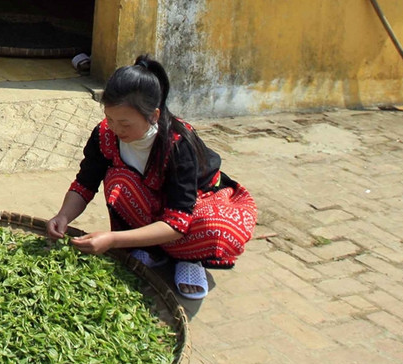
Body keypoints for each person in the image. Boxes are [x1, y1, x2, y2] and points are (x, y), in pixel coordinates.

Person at [44, 54, 257, 299]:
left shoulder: (177, 144)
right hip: (149, 207)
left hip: (197, 204)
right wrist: (63, 215)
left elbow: (178, 220)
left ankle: (190, 259)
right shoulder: (105, 134)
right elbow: (85, 183)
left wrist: (113, 240)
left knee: (215, 227)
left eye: (125, 123)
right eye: (110, 119)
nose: (116, 129)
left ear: (154, 116)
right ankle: (150, 247)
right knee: (120, 181)